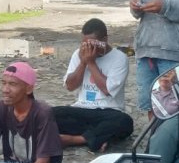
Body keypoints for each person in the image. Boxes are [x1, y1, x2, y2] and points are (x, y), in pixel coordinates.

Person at [53, 18, 133, 153]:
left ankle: (75, 140)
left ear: (105, 39)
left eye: (92, 43)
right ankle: (98, 137)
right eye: (85, 44)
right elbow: (70, 86)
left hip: (108, 111)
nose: (88, 48)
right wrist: (83, 63)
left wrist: (91, 62)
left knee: (124, 122)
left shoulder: (119, 58)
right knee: (48, 114)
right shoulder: (78, 55)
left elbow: (107, 90)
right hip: (82, 108)